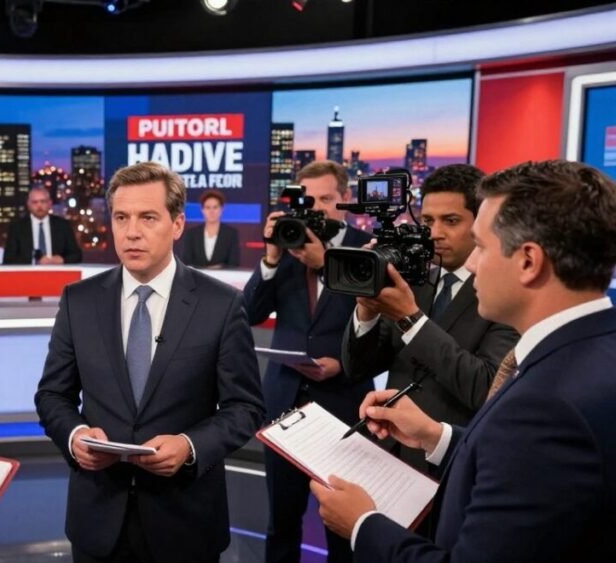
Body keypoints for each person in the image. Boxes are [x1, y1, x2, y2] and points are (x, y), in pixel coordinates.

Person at [312, 160, 616, 563]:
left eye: (483, 246)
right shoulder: (594, 350)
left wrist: (364, 525)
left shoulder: (544, 408)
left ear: (528, 260)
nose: (473, 263)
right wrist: (435, 436)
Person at [35, 161, 264, 563]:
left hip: (186, 521)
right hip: (98, 519)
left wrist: (189, 446)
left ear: (176, 225)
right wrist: (76, 437)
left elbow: (244, 407)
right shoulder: (78, 301)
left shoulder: (222, 305)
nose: (132, 232)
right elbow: (53, 395)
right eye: (121, 217)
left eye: (148, 217)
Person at [340, 164, 518, 471]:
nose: (435, 233)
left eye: (451, 221)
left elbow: (485, 388)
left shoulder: (505, 295)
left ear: (482, 224)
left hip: (452, 461)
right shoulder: (414, 282)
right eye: (427, 220)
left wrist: (410, 318)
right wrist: (366, 312)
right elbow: (357, 368)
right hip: (387, 453)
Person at [242, 160, 374, 563]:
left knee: (342, 526)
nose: (316, 206)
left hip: (343, 403)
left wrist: (322, 263)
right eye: (307, 199)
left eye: (326, 198)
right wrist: (270, 255)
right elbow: (247, 312)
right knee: (282, 520)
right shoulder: (287, 242)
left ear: (344, 200)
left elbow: (383, 325)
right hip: (284, 403)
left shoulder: (366, 245)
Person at [3, 186, 82, 265]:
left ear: (50, 203)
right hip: (28, 275)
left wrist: (62, 260)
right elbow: (8, 259)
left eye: (43, 201)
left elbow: (77, 255)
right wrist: (33, 261)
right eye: (35, 202)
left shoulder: (63, 225)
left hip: (57, 273)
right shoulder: (17, 227)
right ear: (28, 204)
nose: (39, 206)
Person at [181, 189, 240, 268]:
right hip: (196, 279)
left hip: (221, 279)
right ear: (202, 210)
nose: (211, 211)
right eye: (208, 207)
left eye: (215, 207)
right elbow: (186, 263)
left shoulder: (231, 234)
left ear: (222, 209)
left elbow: (234, 264)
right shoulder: (191, 234)